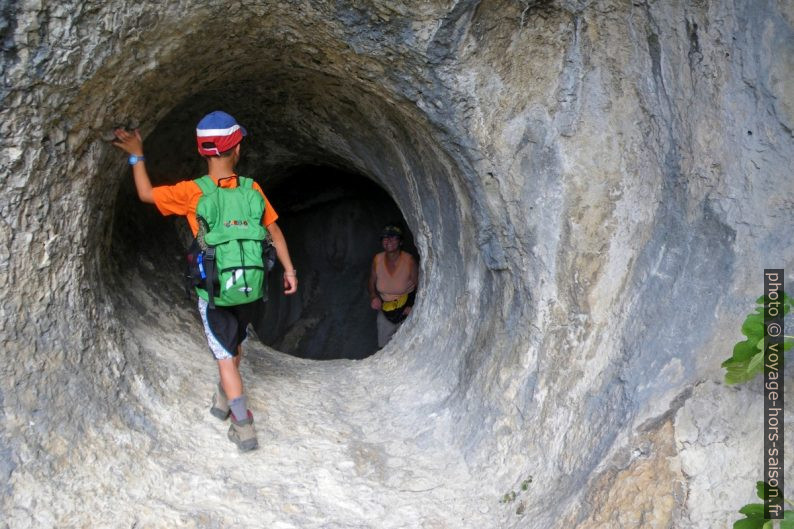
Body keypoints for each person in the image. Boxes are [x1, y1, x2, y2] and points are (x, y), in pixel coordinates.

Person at [112, 110, 298, 452]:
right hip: (251, 289)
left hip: (214, 291)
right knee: (235, 343)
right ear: (237, 148)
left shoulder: (191, 192)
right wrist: (289, 270)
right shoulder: (252, 189)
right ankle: (223, 398)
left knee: (224, 357)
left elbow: (146, 195)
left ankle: (244, 427)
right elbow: (274, 232)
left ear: (201, 151)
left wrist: (136, 153)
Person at [368, 224, 418, 348]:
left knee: (407, 349)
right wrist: (373, 296)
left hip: (406, 311)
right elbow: (371, 281)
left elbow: (421, 286)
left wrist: (413, 306)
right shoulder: (377, 260)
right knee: (383, 349)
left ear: (400, 242)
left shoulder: (409, 261)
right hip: (386, 312)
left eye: (393, 237)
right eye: (385, 238)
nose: (388, 240)